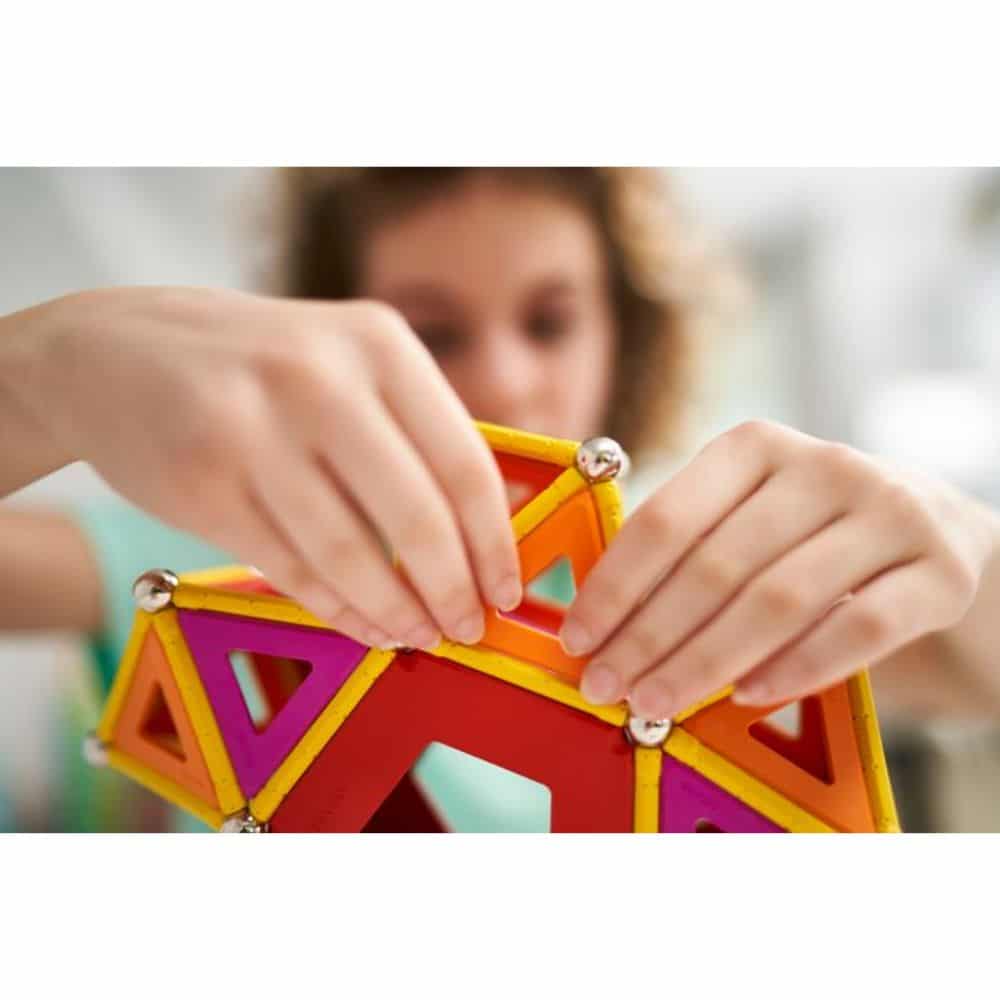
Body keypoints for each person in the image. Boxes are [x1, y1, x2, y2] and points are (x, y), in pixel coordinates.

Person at [2, 168, 999, 831]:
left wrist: (976, 552)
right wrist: (36, 375)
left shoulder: (717, 587)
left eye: (549, 322)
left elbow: (970, 666)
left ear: (625, 332)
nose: (507, 382)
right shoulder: (222, 560)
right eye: (434, 332)